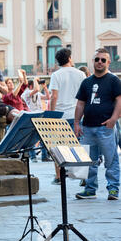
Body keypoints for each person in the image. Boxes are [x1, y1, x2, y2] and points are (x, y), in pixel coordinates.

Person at [74, 48, 121, 200]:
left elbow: (119, 100)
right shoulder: (86, 82)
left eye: (103, 60)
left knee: (111, 159)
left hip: (105, 127)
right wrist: (76, 123)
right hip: (87, 127)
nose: (99, 62)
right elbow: (81, 103)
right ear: (93, 62)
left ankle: (113, 189)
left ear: (108, 62)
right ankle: (90, 189)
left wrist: (114, 118)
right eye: (97, 59)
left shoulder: (114, 80)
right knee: (89, 161)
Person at [49, 48, 86, 184]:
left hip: (60, 116)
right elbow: (84, 97)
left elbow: (54, 97)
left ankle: (59, 176)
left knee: (58, 148)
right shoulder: (81, 74)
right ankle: (83, 177)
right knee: (79, 147)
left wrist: (52, 115)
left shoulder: (56, 75)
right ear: (69, 58)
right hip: (77, 115)